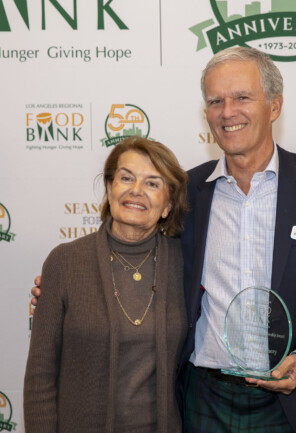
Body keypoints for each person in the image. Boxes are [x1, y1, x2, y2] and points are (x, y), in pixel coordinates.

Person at [33, 47, 296, 433]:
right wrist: (64, 286)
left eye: (242, 97)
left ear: (274, 105)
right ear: (206, 114)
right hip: (202, 400)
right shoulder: (187, 194)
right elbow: (136, 256)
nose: (227, 111)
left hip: (295, 404)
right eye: (216, 101)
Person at [23, 136, 189, 433]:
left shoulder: (186, 264)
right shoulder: (65, 262)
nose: (136, 191)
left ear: (168, 205)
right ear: (110, 188)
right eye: (126, 178)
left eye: (152, 183)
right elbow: (40, 377)